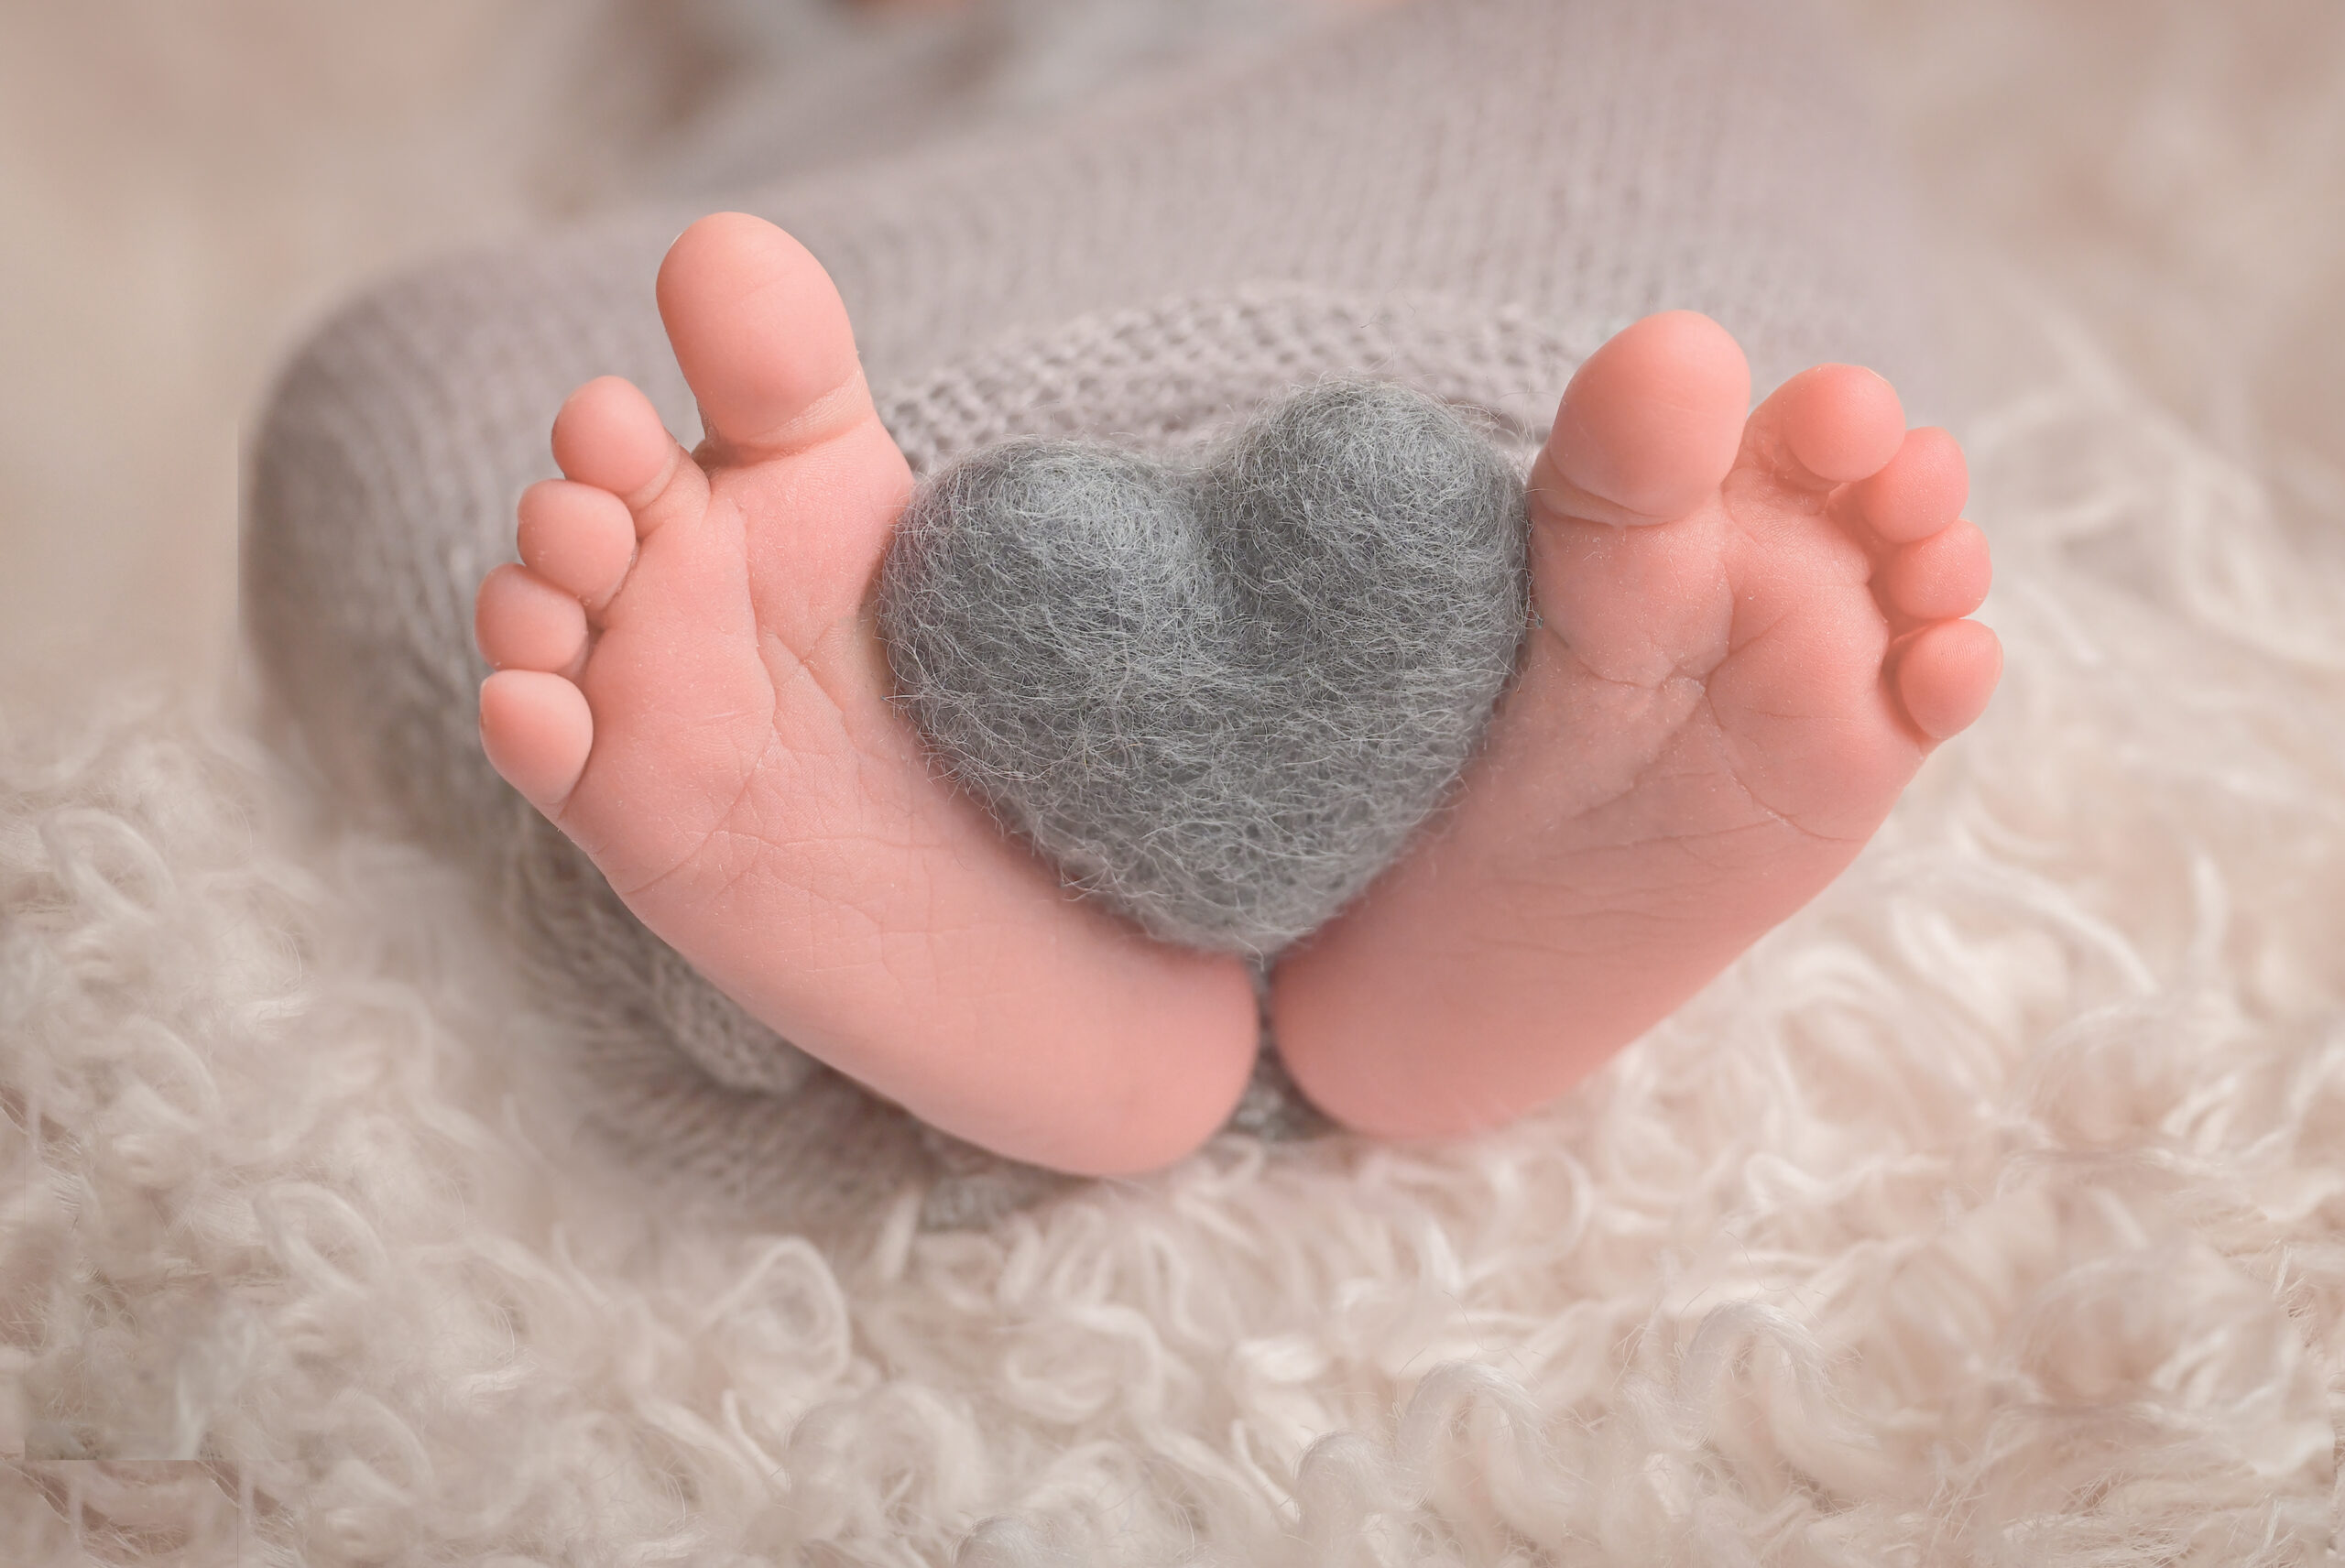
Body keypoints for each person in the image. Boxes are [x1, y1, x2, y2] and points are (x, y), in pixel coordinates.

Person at [247, 0, 1995, 1210]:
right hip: (882, 240)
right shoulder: (734, 56)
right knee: (387, 375)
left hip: (1406, 137)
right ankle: (857, 760)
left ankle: (1579, 639)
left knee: (1686, 51)